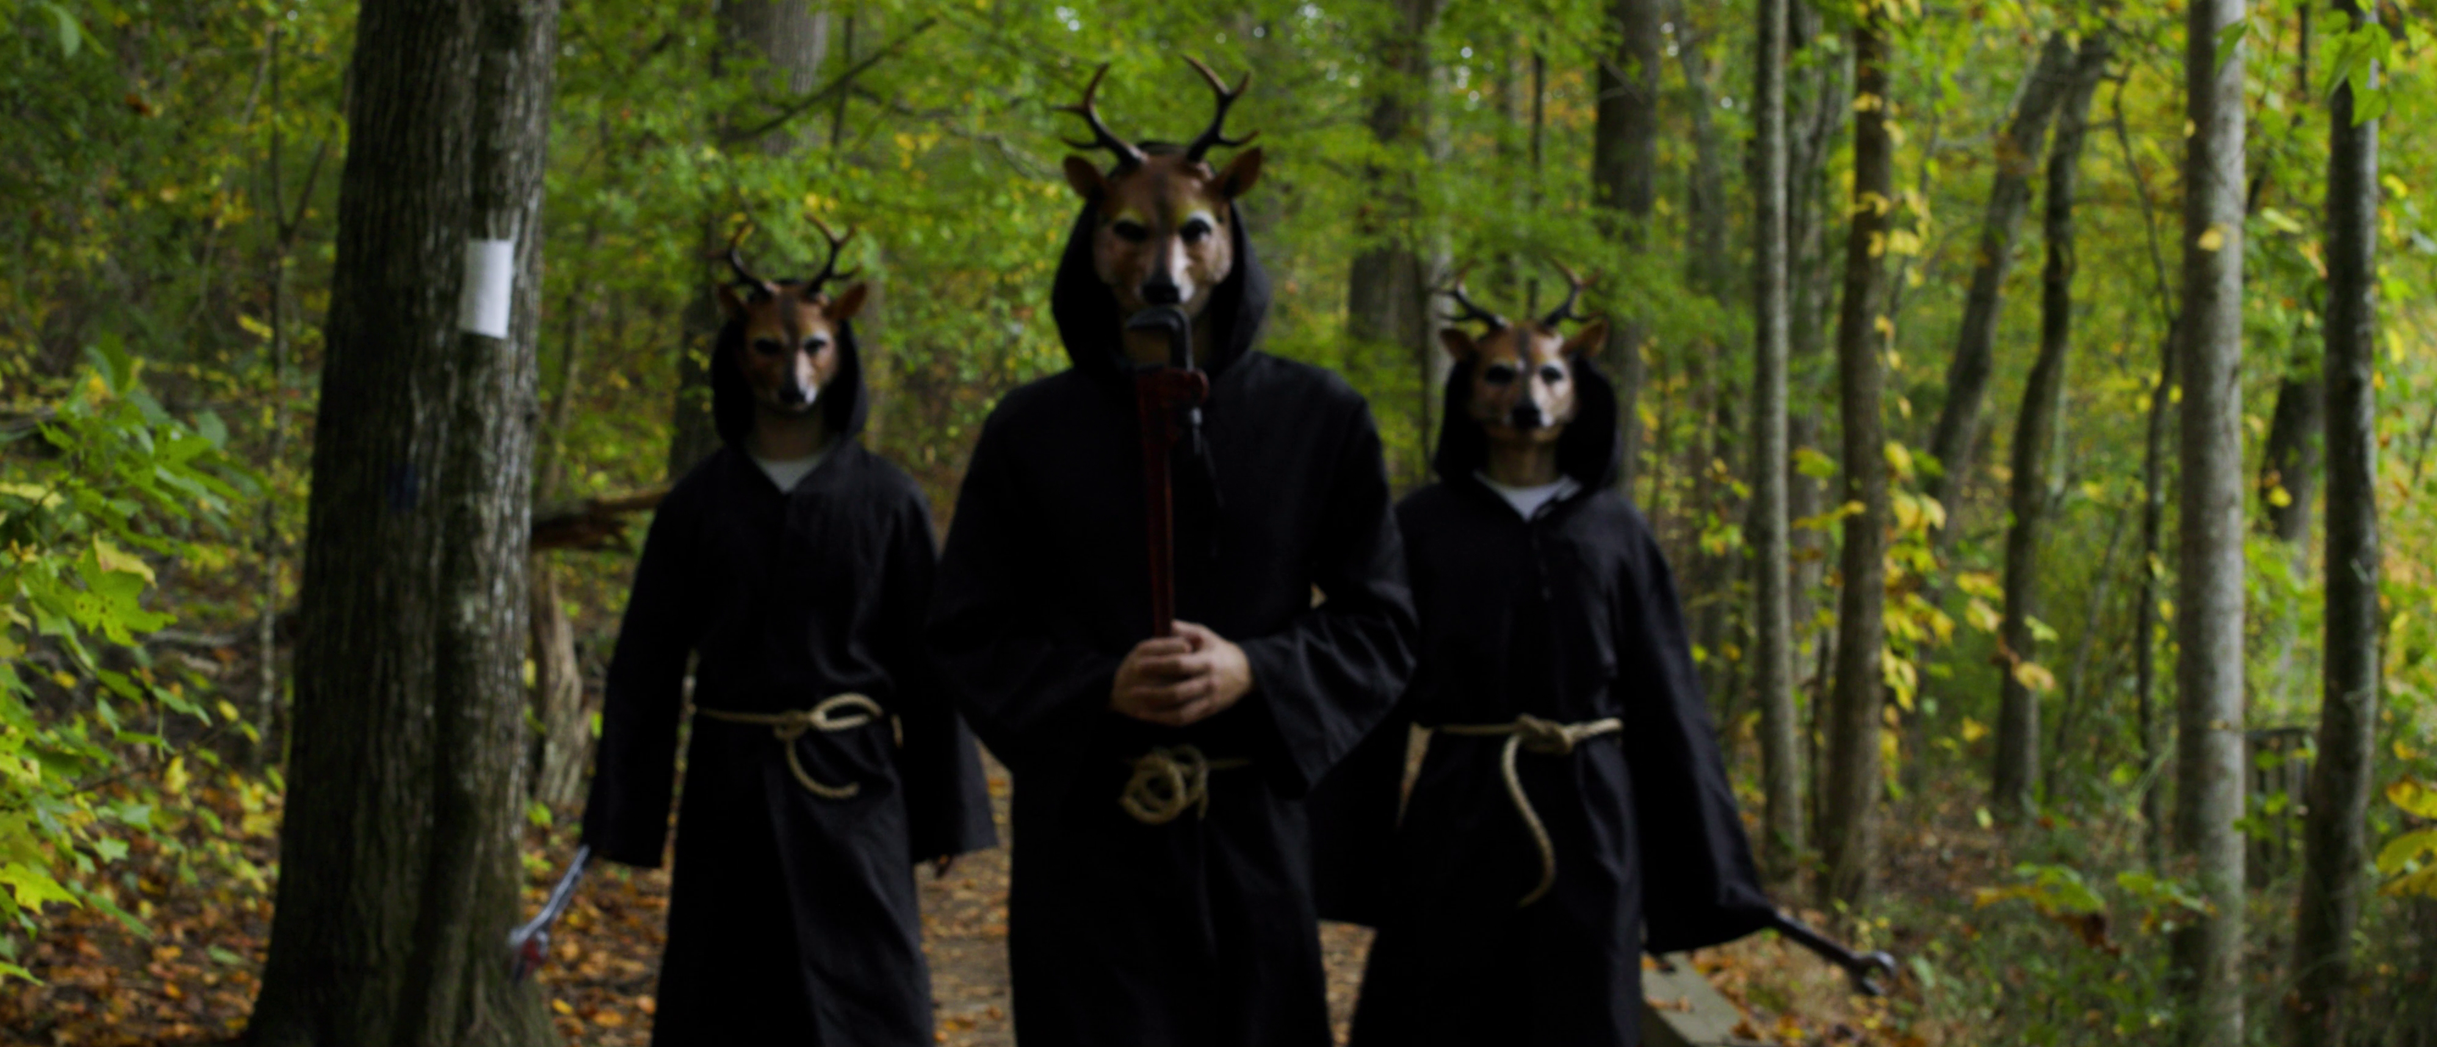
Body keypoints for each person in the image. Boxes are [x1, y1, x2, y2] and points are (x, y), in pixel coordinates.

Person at [926, 61, 1415, 1047]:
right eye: (1132, 233)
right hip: (1087, 839)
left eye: (1192, 231)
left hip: (1252, 837)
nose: (1164, 261)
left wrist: (1255, 669)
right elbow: (967, 630)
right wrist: (1095, 686)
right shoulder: (1030, 429)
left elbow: (1381, 624)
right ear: (1095, 241)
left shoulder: (1320, 419)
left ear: (1230, 240)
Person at [1320, 276, 1777, 1047]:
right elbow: (1371, 683)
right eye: (1499, 374)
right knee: (1438, 998)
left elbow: (1671, 703)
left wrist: (1711, 871)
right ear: (1468, 388)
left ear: (1578, 391)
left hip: (1591, 811)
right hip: (1459, 805)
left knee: (1583, 1000)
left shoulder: (1617, 533)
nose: (1524, 394)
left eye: (1549, 376)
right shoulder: (1422, 528)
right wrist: (1340, 849)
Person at [583, 226, 996, 1046]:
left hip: (856, 788)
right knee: (723, 987)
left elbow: (930, 661)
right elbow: (648, 664)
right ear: (740, 357)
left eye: (812, 348)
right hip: (728, 788)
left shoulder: (888, 499)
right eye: (771, 350)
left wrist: (946, 809)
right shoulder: (698, 503)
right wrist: (623, 818)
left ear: (839, 349)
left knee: (870, 990)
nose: (793, 372)